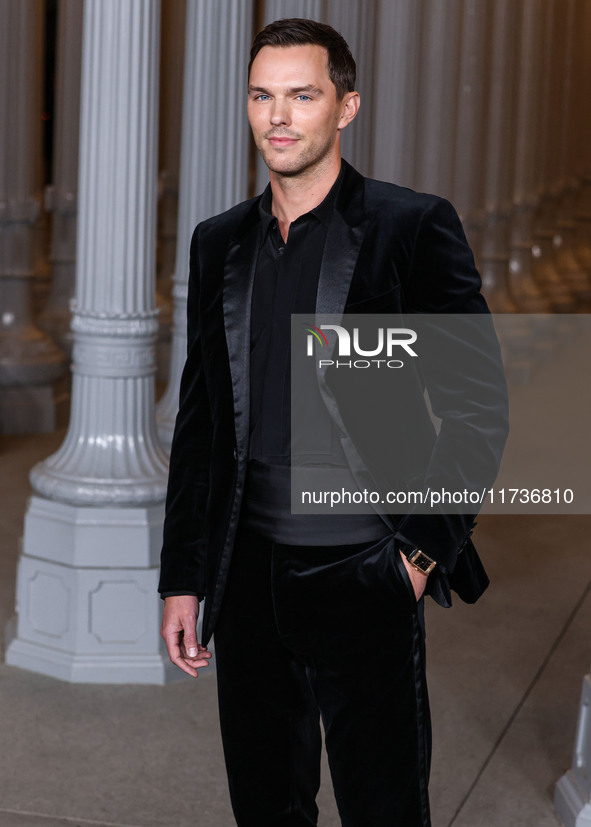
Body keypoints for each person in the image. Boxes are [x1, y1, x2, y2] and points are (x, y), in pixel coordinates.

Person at [159, 18, 508, 827]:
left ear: (345, 107)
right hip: (245, 575)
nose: (277, 116)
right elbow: (203, 421)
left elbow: (475, 403)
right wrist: (183, 575)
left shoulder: (408, 227)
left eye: (301, 95)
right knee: (267, 805)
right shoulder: (220, 244)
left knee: (382, 807)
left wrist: (418, 554)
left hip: (361, 565)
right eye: (261, 95)